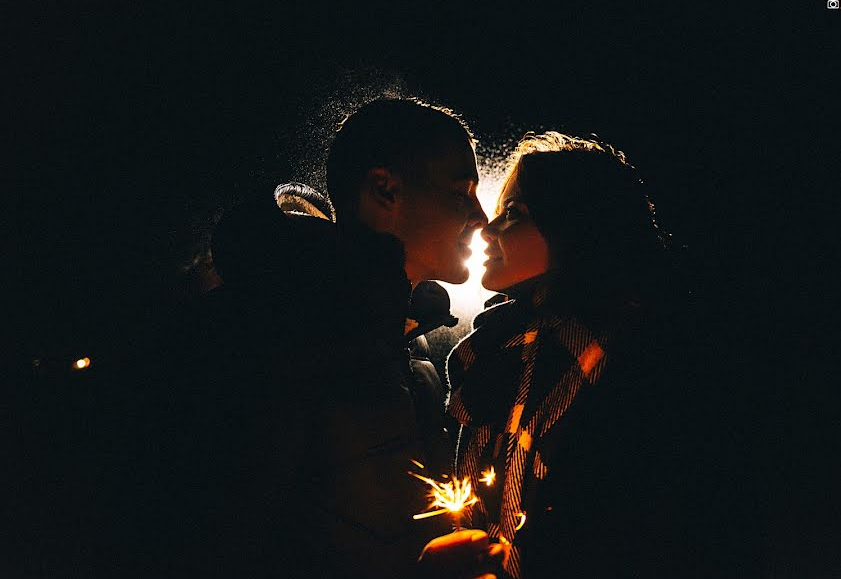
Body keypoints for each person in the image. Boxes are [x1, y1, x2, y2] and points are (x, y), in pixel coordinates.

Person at [139, 98, 488, 577]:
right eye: (461, 193)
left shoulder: (409, 345)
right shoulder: (267, 337)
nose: (481, 218)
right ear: (385, 191)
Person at [421, 132, 713, 577]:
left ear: (574, 225)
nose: (488, 227)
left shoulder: (642, 360)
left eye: (513, 213)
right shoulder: (496, 355)